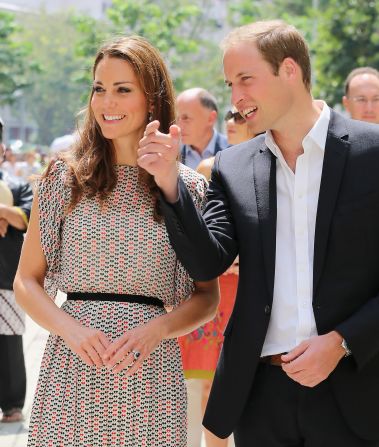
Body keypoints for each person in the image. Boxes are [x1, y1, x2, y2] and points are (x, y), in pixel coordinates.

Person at [138, 20, 379, 447]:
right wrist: (169, 185)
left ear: (289, 69)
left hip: (356, 390)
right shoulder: (233, 166)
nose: (237, 98)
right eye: (230, 84)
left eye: (246, 79)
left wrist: (342, 342)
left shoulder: (372, 152)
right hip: (260, 397)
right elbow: (207, 262)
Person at [14, 36, 219, 447]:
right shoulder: (63, 179)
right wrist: (71, 331)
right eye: (99, 89)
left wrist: (157, 331)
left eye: (123, 90)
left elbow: (206, 297)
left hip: (150, 370)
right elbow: (25, 282)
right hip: (71, 364)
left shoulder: (188, 188)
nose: (107, 102)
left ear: (153, 99)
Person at [183, 107, 253, 447]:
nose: (236, 124)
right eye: (234, 121)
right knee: (208, 382)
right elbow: (199, 233)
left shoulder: (280, 164)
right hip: (216, 287)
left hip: (255, 289)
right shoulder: (210, 170)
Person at [0, 117, 33, 423]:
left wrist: (4, 212)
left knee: (9, 341)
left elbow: (27, 218)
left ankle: (12, 405)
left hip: (5, 274)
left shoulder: (17, 186)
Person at [176, 88, 227, 170]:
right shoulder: (171, 156)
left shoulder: (233, 151)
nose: (179, 126)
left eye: (186, 118)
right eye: (177, 119)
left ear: (211, 118)